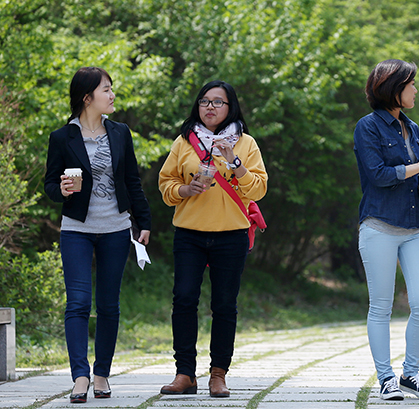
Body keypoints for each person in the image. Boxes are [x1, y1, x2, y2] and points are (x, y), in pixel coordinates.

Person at [44, 67, 151, 403]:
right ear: (87, 97)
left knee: (108, 304)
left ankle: (101, 373)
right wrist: (61, 190)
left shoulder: (120, 133)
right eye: (107, 89)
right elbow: (49, 185)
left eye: (112, 88)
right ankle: (79, 376)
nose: (112, 94)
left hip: (116, 228)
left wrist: (143, 221)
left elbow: (132, 181)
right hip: (77, 230)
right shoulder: (62, 137)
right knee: (77, 303)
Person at [158, 80, 267, 397]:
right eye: (205, 101)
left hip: (230, 234)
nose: (210, 107)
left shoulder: (245, 143)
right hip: (189, 232)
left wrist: (234, 161)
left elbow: (258, 189)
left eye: (218, 102)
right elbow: (166, 185)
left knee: (224, 305)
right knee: (184, 299)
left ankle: (218, 374)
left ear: (231, 106)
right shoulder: (184, 142)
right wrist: (184, 190)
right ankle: (184, 374)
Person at [353, 59, 419, 401]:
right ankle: (386, 378)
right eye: (411, 84)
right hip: (378, 224)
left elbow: (417, 183)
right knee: (381, 306)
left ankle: (411, 373)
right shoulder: (367, 127)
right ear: (394, 88)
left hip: (413, 227)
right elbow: (379, 175)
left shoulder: (413, 128)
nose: (416, 90)